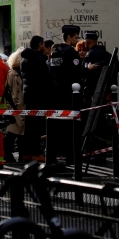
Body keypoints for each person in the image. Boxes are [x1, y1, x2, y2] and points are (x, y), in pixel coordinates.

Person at [48, 25, 82, 163]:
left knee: (56, 127)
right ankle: (70, 156)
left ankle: (52, 156)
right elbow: (76, 73)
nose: (77, 39)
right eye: (75, 37)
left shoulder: (56, 52)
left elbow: (53, 72)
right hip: (69, 95)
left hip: (56, 95)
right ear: (69, 37)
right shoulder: (71, 53)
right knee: (70, 128)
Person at [20, 35, 50, 162]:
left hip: (28, 95)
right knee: (37, 127)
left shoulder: (24, 60)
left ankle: (27, 152)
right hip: (38, 96)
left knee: (29, 126)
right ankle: (36, 153)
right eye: (43, 44)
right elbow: (45, 79)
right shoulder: (39, 59)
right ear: (39, 45)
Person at [4, 47, 25, 164]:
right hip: (14, 108)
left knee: (21, 134)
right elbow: (7, 90)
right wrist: (9, 106)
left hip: (22, 108)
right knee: (11, 133)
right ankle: (8, 155)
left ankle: (21, 156)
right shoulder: (12, 74)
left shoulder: (23, 74)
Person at [82, 31, 109, 106]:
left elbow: (85, 74)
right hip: (106, 89)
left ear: (86, 41)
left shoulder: (89, 55)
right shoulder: (108, 55)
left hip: (92, 93)